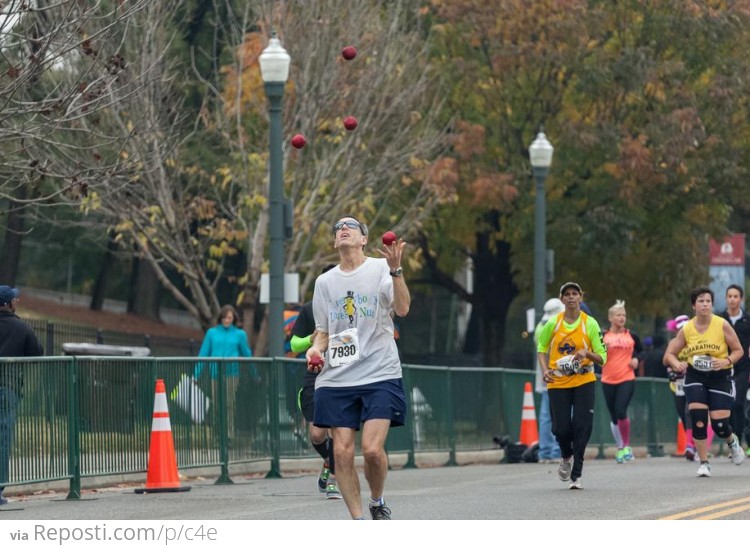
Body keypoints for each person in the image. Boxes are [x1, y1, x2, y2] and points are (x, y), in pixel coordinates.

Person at [305, 215, 409, 520]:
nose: (343, 229)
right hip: (337, 377)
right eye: (338, 228)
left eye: (350, 227)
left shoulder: (380, 269)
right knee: (341, 452)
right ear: (336, 241)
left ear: (364, 239)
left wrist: (396, 271)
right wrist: (314, 348)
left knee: (373, 450)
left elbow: (402, 309)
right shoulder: (325, 282)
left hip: (379, 372)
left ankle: (377, 500)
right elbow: (323, 332)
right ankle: (359, 521)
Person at [663, 285, 745, 477]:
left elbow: (738, 351)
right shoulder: (687, 329)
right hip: (695, 376)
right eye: (701, 301)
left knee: (720, 426)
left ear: (712, 304)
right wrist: (677, 364)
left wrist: (725, 361)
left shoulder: (721, 324)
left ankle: (732, 442)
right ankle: (704, 462)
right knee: (698, 420)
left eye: (708, 301)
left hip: (720, 376)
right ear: (694, 306)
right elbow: (669, 354)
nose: (705, 304)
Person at [537, 281, 607, 490]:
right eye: (566, 294)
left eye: (574, 293)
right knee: (561, 428)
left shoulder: (590, 323)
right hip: (558, 380)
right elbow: (541, 347)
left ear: (580, 297)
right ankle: (566, 456)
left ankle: (577, 474)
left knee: (582, 426)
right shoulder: (553, 323)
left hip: (583, 379)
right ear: (562, 299)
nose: (571, 297)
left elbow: (602, 357)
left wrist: (586, 353)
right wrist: (545, 370)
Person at [290, 266, 342, 500]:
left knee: (338, 431)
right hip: (317, 372)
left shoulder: (351, 307)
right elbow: (294, 345)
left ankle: (332, 478)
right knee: (317, 434)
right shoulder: (309, 309)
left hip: (345, 373)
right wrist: (314, 338)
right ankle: (329, 462)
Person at [0, 285, 44, 505]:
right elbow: (36, 354)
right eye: (15, 300)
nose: (17, 302)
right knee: (3, 438)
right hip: (6, 388)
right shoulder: (21, 328)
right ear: (8, 304)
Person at [193, 305, 252, 441]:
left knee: (229, 404)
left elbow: (247, 354)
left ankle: (229, 434)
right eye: (224, 317)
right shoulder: (211, 333)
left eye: (229, 318)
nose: (227, 320)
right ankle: (217, 434)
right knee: (216, 404)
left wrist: (254, 373)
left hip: (232, 374)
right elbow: (204, 354)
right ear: (220, 318)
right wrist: (196, 375)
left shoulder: (239, 334)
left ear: (233, 319)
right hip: (215, 373)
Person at [601, 300, 644, 463]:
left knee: (621, 410)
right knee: (613, 416)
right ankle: (620, 448)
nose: (622, 318)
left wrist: (636, 359)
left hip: (626, 377)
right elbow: (595, 353)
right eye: (618, 315)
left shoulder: (631, 336)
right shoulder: (604, 336)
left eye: (624, 315)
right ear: (611, 317)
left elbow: (641, 351)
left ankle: (626, 446)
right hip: (607, 379)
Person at [718, 283, 750, 457]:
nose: (732, 299)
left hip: (743, 367)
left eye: (735, 296)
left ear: (741, 299)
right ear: (726, 298)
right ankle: (732, 442)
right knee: (728, 405)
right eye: (729, 296)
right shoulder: (719, 320)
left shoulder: (747, 320)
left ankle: (737, 441)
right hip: (724, 367)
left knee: (738, 403)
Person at [533, 298, 565, 463]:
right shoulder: (557, 326)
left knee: (546, 416)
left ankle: (545, 451)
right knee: (560, 415)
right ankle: (555, 450)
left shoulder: (540, 326)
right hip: (558, 377)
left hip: (544, 378)